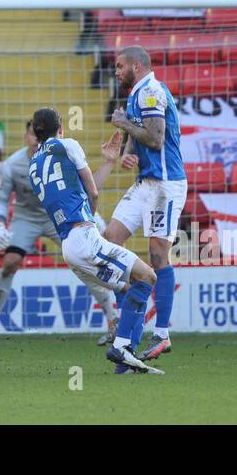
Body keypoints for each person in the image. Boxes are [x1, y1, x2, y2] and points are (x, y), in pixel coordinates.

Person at [26, 107, 160, 374]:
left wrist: (109, 161)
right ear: (60, 128)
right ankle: (122, 347)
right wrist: (92, 222)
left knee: (129, 286)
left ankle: (126, 360)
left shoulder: (33, 163)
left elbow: (77, 193)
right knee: (148, 276)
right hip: (85, 237)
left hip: (69, 248)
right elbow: (92, 192)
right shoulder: (68, 145)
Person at [0, 120, 122, 344]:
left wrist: (93, 216)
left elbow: (83, 189)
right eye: (32, 135)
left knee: (86, 261)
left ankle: (112, 319)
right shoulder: (12, 165)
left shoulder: (63, 155)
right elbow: (3, 201)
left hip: (59, 216)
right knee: (10, 262)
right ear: (26, 137)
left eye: (39, 136)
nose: (36, 140)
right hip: (27, 218)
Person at [104, 46, 187, 370]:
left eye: (120, 65)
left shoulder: (152, 91)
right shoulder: (134, 95)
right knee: (108, 242)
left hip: (166, 184)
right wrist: (126, 154)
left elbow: (154, 138)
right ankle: (130, 323)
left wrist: (124, 123)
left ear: (137, 66)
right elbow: (136, 144)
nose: (116, 70)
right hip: (146, 182)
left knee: (157, 255)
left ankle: (162, 332)